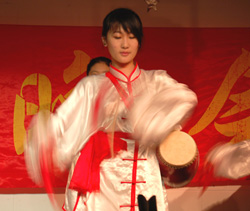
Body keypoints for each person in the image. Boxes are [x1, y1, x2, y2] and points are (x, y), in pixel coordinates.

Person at [25, 8, 197, 211]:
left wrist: (152, 124)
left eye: (132, 37)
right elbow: (61, 124)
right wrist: (44, 134)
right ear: (104, 41)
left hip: (147, 180)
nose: (125, 44)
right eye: (117, 37)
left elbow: (186, 99)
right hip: (105, 184)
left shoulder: (157, 81)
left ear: (139, 41)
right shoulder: (91, 87)